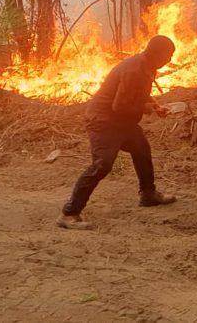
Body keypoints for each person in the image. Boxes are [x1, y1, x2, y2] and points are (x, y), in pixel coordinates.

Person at [56, 35, 178, 230]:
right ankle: (69, 213)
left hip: (122, 121)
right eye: (169, 55)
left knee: (142, 149)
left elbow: (139, 94)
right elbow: (119, 106)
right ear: (156, 54)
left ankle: (148, 194)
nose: (170, 60)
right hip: (103, 121)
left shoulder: (147, 66)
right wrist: (145, 108)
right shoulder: (134, 70)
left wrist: (155, 106)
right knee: (102, 165)